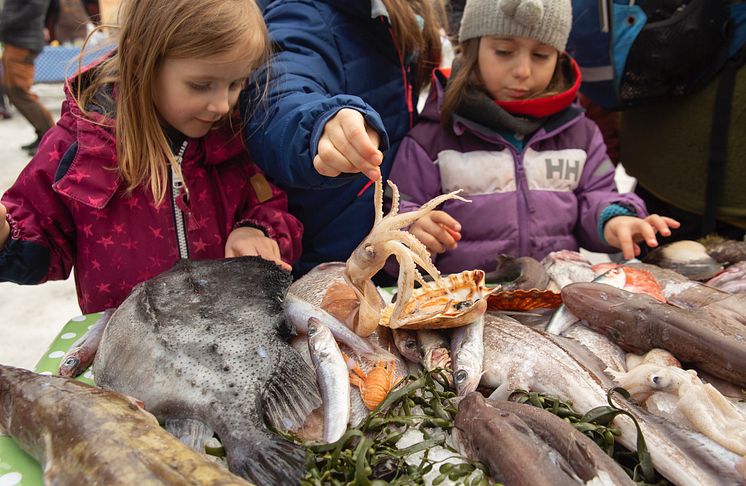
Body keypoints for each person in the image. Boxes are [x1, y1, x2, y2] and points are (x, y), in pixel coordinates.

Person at [0, 0, 302, 314]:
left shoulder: (232, 137)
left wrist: (257, 231)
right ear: (140, 60)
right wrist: (6, 234)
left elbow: (271, 206)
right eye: (201, 85)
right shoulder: (81, 146)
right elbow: (42, 239)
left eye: (235, 83)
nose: (222, 105)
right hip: (132, 351)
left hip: (226, 344)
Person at [387, 0, 679, 275]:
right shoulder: (432, 137)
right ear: (471, 49)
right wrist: (412, 231)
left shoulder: (581, 134)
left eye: (541, 55)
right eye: (503, 51)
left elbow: (598, 196)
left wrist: (615, 219)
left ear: (560, 58)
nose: (523, 71)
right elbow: (399, 215)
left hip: (549, 302)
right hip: (463, 306)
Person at [243, 0, 445, 277]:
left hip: (380, 260)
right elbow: (278, 90)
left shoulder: (388, 17)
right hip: (325, 267)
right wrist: (319, 125)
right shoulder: (303, 12)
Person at [0, 0, 56, 155]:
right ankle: (43, 133)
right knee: (14, 91)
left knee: (19, 91)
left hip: (22, 42)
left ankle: (50, 135)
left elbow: (36, 6)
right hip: (18, 40)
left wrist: (6, 23)